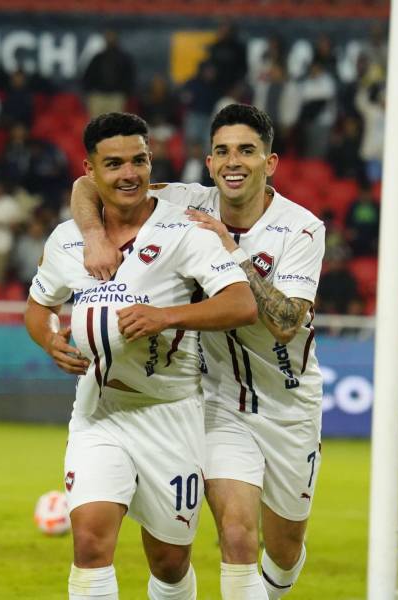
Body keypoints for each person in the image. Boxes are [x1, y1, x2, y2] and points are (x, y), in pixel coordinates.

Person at [72, 104, 325, 599]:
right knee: (235, 535)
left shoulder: (302, 228)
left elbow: (287, 324)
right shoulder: (189, 200)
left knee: (285, 547)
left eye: (247, 151)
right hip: (214, 399)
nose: (234, 162)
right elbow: (88, 185)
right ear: (208, 163)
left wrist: (231, 252)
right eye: (223, 152)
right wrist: (94, 235)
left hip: (288, 403)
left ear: (269, 163)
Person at [25, 112, 256, 599]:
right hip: (98, 410)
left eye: (138, 160)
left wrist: (167, 317)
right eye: (113, 164)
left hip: (170, 412)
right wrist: (49, 340)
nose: (128, 173)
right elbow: (38, 306)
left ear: (151, 161)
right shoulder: (68, 240)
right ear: (90, 171)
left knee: (170, 562)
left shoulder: (186, 231)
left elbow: (242, 302)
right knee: (89, 542)